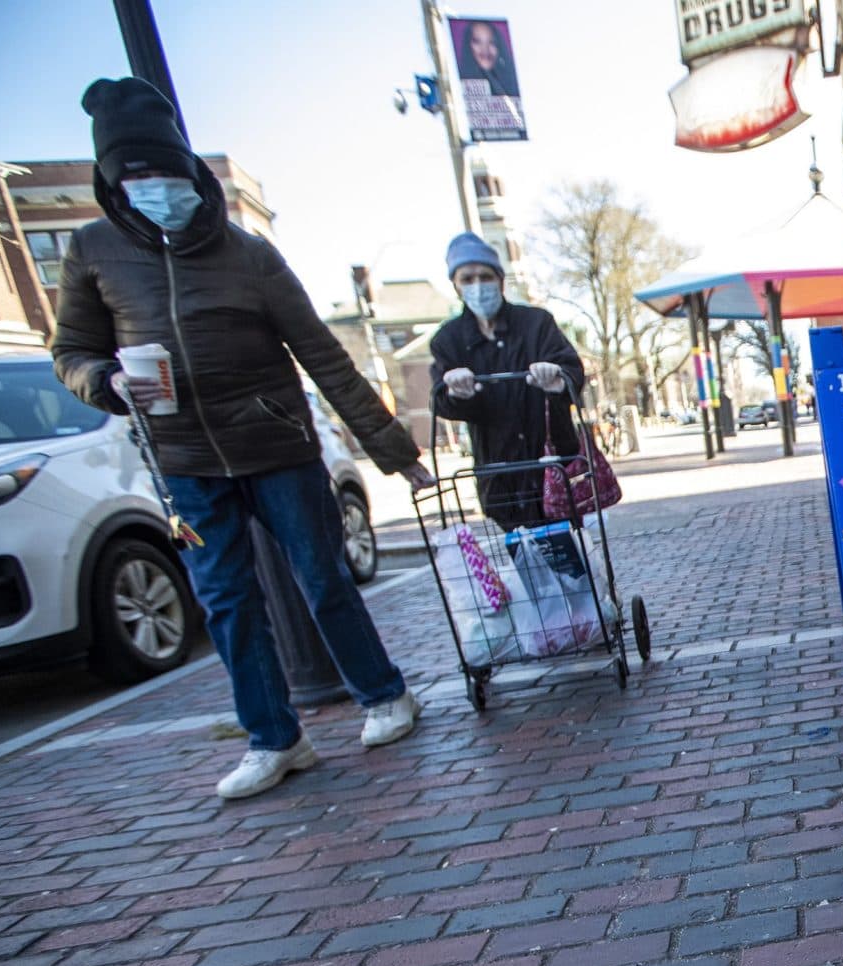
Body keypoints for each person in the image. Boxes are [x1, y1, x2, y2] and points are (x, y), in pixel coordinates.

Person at [51, 78, 434, 800]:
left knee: (322, 580)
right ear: (113, 182)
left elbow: (323, 354)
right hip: (186, 461)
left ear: (187, 169)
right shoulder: (93, 251)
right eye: (133, 175)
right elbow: (70, 350)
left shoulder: (247, 254)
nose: (152, 186)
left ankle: (385, 695)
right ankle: (275, 738)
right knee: (226, 601)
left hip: (277, 447)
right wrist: (103, 382)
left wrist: (395, 453)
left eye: (162, 170)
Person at [430, 233, 586, 531]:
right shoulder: (448, 340)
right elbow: (441, 401)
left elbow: (573, 373)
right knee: (524, 557)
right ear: (456, 285)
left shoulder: (536, 323)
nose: (478, 286)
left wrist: (555, 378)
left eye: (485, 276)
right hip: (501, 478)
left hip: (553, 466)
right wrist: (457, 393)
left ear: (500, 280)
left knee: (573, 560)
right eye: (468, 279)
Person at [457, 20, 520, 98]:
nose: (485, 49)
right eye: (477, 41)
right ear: (468, 46)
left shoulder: (512, 82)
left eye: (491, 42)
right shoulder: (458, 83)